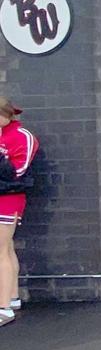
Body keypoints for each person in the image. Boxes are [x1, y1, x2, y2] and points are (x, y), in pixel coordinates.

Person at [0, 97, 38, 328]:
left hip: (8, 198)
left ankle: (3, 306)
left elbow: (18, 171)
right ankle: (11, 298)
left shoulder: (21, 136)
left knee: (0, 251)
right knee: (7, 249)